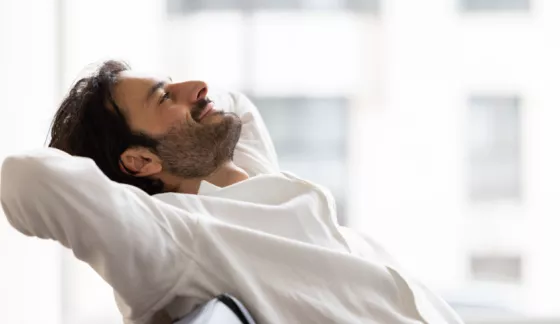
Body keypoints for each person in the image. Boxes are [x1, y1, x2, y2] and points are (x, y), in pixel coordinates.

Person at [1, 61, 463, 324]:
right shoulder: (173, 237)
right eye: (165, 97)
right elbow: (25, 178)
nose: (197, 87)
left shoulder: (247, 172)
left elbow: (233, 102)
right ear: (140, 162)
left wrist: (173, 108)